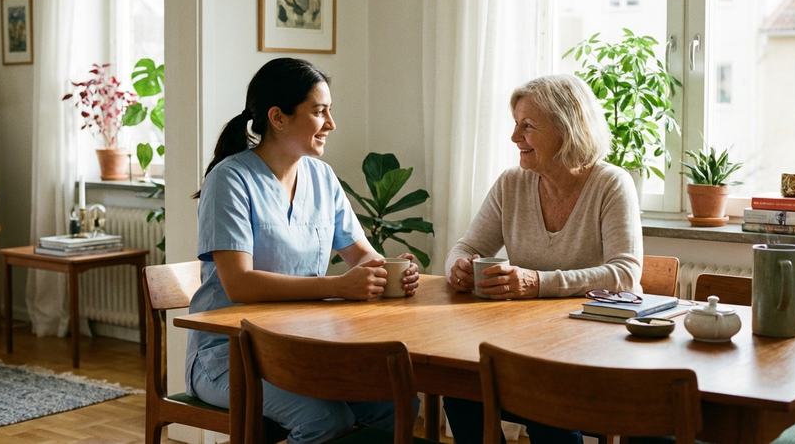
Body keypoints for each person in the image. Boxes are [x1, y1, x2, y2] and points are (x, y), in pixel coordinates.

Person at [185, 58, 420, 443]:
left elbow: (362, 256)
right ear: (278, 117)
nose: (331, 123)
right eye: (319, 112)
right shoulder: (229, 180)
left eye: (330, 111)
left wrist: (392, 270)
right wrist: (338, 287)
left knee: (397, 403)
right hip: (229, 358)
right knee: (325, 420)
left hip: (302, 351)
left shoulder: (321, 176)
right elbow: (240, 285)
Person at [443, 73, 643, 444]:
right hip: (528, 344)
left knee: (546, 404)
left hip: (593, 349)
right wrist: (458, 267)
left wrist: (537, 282)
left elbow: (625, 275)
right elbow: (466, 247)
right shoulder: (511, 184)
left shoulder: (611, 184)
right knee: (461, 389)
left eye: (528, 126)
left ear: (567, 129)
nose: (515, 137)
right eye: (516, 125)